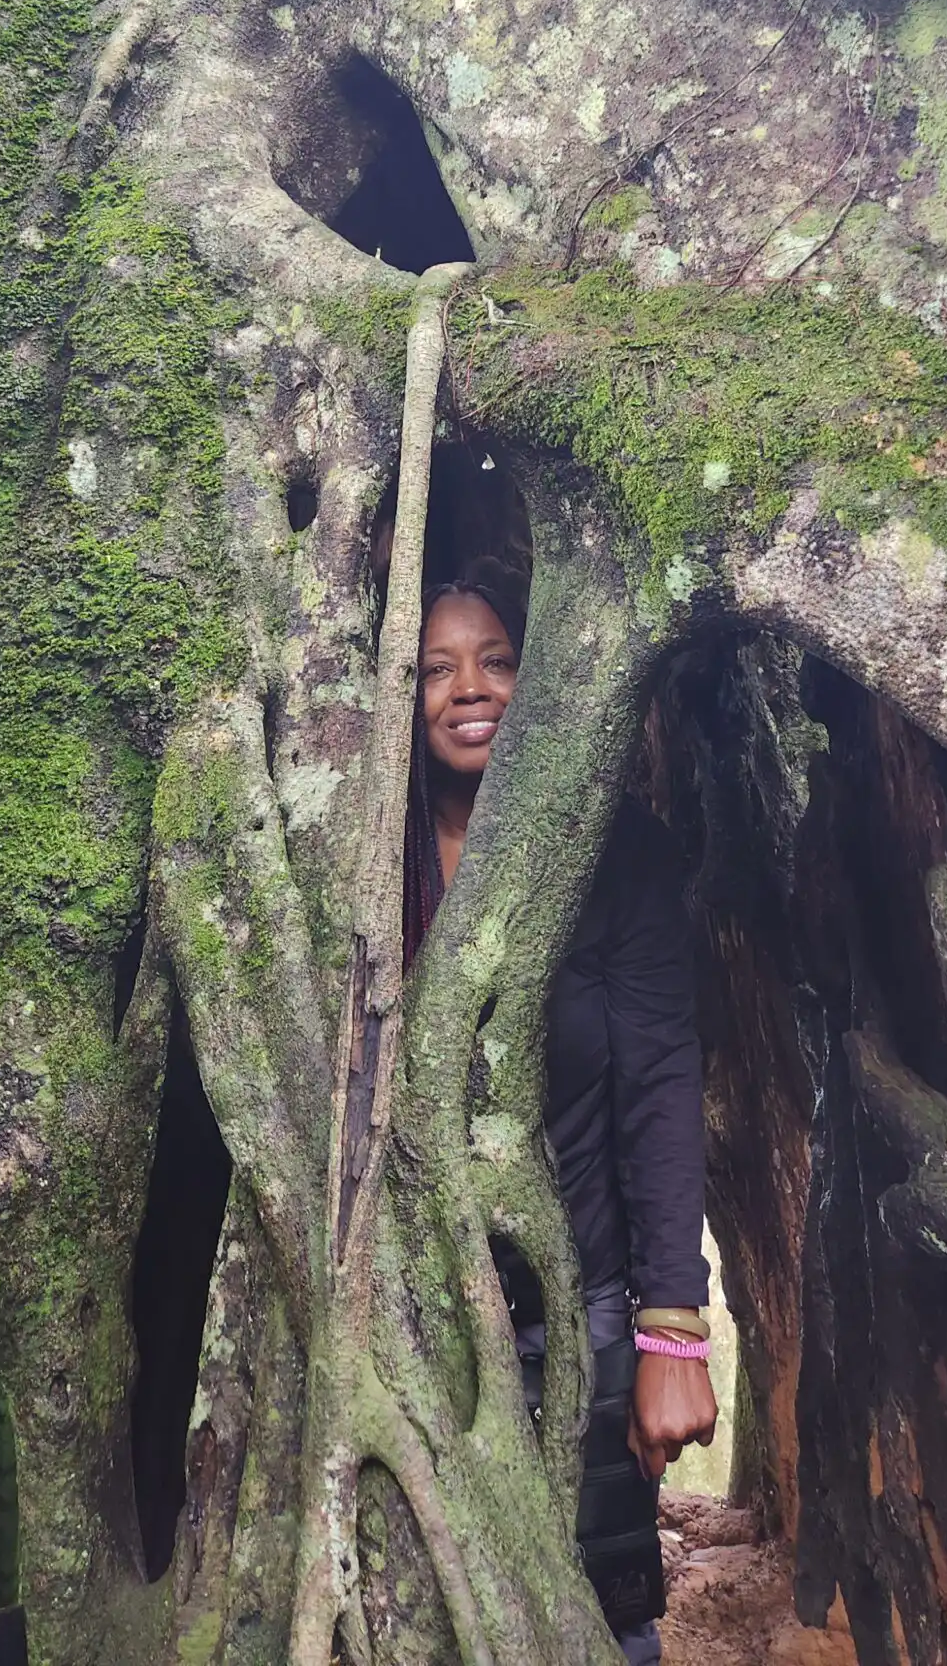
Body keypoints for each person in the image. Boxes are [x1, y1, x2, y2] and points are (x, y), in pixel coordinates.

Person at [405, 580, 717, 1665]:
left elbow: (663, 1085)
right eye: (434, 668)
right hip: (403, 1317)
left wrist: (672, 1326)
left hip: (576, 1307)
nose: (468, 690)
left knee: (600, 1619)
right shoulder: (359, 861)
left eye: (494, 659)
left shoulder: (611, 854)